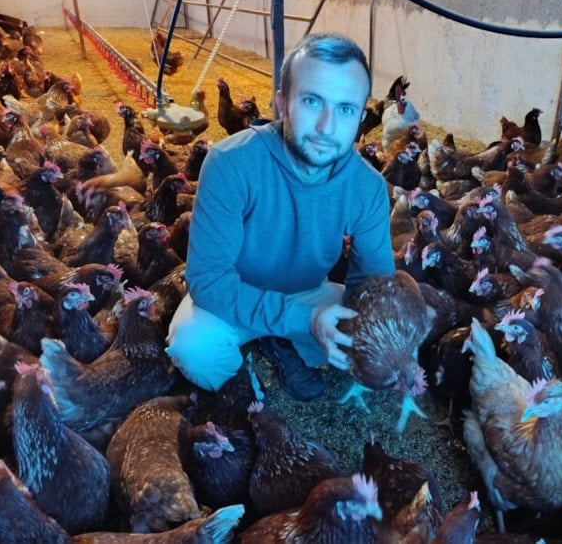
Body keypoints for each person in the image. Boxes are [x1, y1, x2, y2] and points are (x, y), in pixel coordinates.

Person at [166, 33, 395, 401]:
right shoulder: (230, 163)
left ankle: (281, 339)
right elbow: (209, 281)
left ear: (361, 118)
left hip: (310, 293)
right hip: (236, 292)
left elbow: (375, 284)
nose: (326, 126)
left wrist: (373, 329)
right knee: (195, 349)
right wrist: (304, 320)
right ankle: (262, 364)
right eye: (312, 101)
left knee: (382, 339)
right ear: (282, 103)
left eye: (345, 109)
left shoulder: (367, 186)